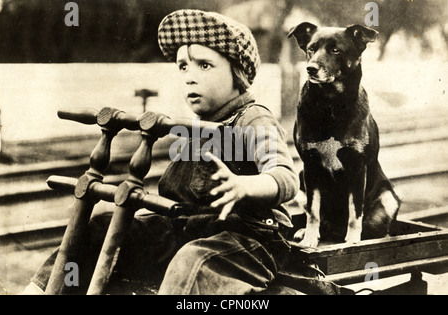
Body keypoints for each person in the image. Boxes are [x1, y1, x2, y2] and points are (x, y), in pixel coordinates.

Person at [23, 9, 299, 295]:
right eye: (183, 67)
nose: (190, 77)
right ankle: (39, 291)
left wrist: (245, 184)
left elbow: (285, 176)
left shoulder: (253, 119)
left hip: (246, 240)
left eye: (204, 66)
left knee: (193, 261)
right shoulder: (196, 126)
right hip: (187, 230)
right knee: (99, 227)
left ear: (237, 72)